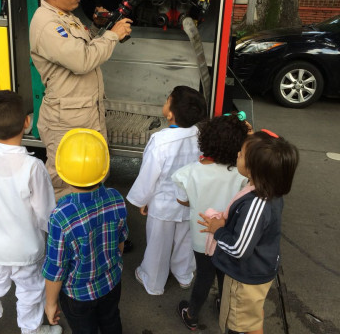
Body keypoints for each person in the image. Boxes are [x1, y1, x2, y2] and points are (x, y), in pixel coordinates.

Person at [29, 0, 132, 200]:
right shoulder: (47, 24)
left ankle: (90, 232)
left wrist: (98, 28)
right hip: (67, 121)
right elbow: (82, 60)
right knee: (65, 183)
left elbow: (83, 49)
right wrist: (112, 35)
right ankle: (61, 236)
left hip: (83, 114)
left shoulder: (66, 17)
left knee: (91, 176)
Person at [0, 90, 61, 334]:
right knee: (30, 289)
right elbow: (45, 210)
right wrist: (53, 237)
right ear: (28, 122)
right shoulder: (33, 167)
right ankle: (31, 329)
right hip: (25, 248)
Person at [199, 130, 299, 334]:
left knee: (237, 324)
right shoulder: (270, 191)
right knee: (252, 316)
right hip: (261, 269)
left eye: (242, 154)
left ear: (255, 170)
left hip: (245, 278)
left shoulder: (256, 204)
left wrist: (218, 230)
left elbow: (238, 249)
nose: (238, 154)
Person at [42, 128, 128, 334]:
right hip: (111, 282)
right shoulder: (116, 198)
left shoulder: (61, 216)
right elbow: (121, 243)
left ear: (63, 171)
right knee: (111, 321)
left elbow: (56, 268)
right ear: (104, 168)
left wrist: (50, 303)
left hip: (77, 294)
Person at [126, 86, 208, 295]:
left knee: (158, 245)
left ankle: (153, 281)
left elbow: (149, 174)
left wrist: (143, 199)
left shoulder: (160, 140)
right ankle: (184, 275)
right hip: (190, 201)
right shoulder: (200, 136)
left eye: (167, 100)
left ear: (170, 113)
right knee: (186, 241)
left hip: (163, 204)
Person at [172, 114, 250, 331]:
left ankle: (192, 313)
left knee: (204, 275)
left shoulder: (187, 173)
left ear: (204, 140)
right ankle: (224, 307)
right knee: (225, 275)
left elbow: (182, 200)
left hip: (201, 234)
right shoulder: (242, 175)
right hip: (229, 235)